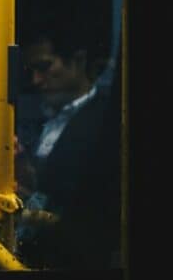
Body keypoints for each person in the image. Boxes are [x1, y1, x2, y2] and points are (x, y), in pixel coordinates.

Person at [15, 15, 121, 270]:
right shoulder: (41, 118)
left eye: (45, 67)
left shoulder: (105, 122)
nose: (36, 81)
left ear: (78, 62)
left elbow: (76, 204)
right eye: (32, 71)